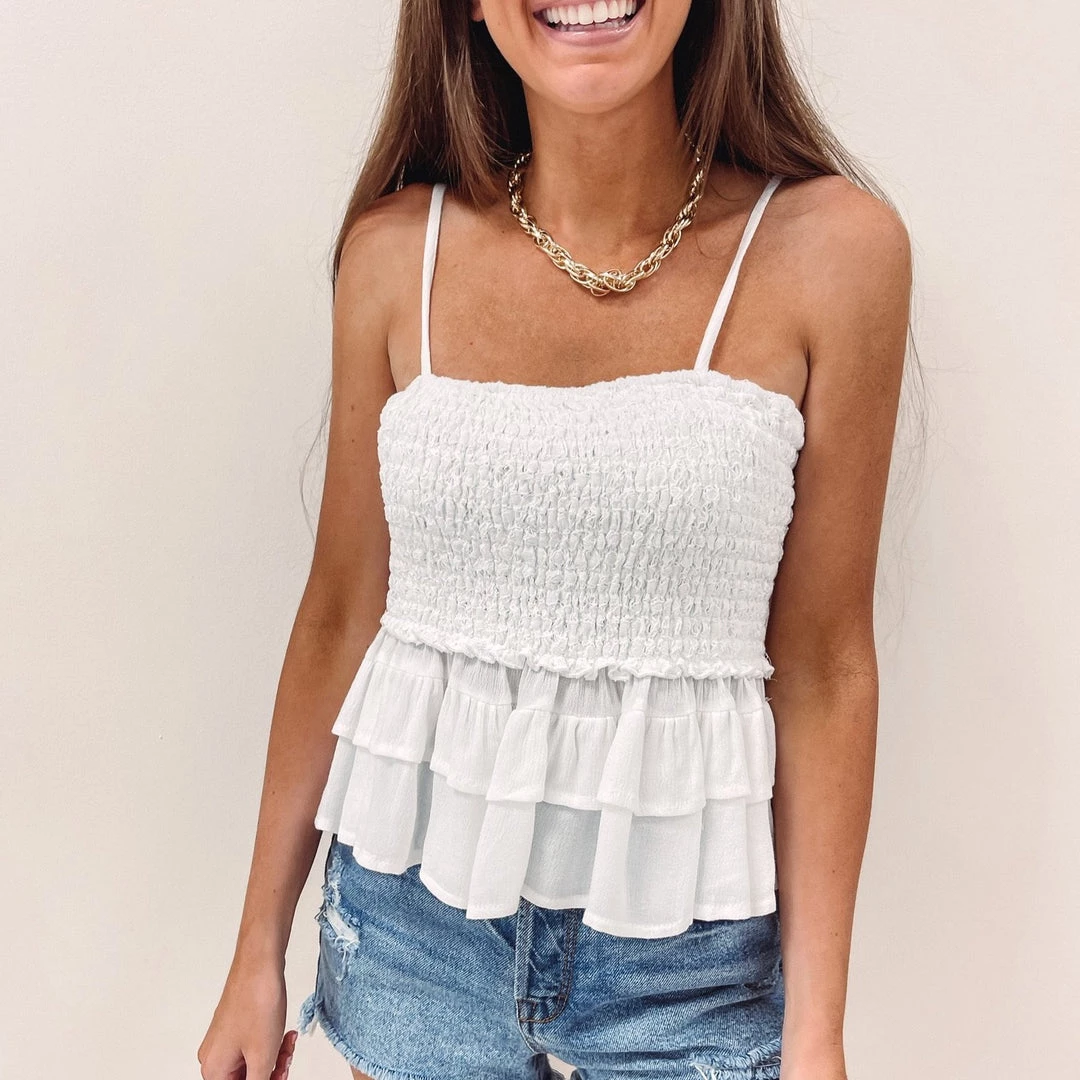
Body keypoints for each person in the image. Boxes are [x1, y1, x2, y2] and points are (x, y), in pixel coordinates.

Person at [198, 1, 913, 1078]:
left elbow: (824, 663)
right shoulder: (392, 255)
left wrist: (817, 1033)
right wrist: (255, 949)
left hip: (694, 961)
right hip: (412, 928)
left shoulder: (835, 252)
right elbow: (341, 612)